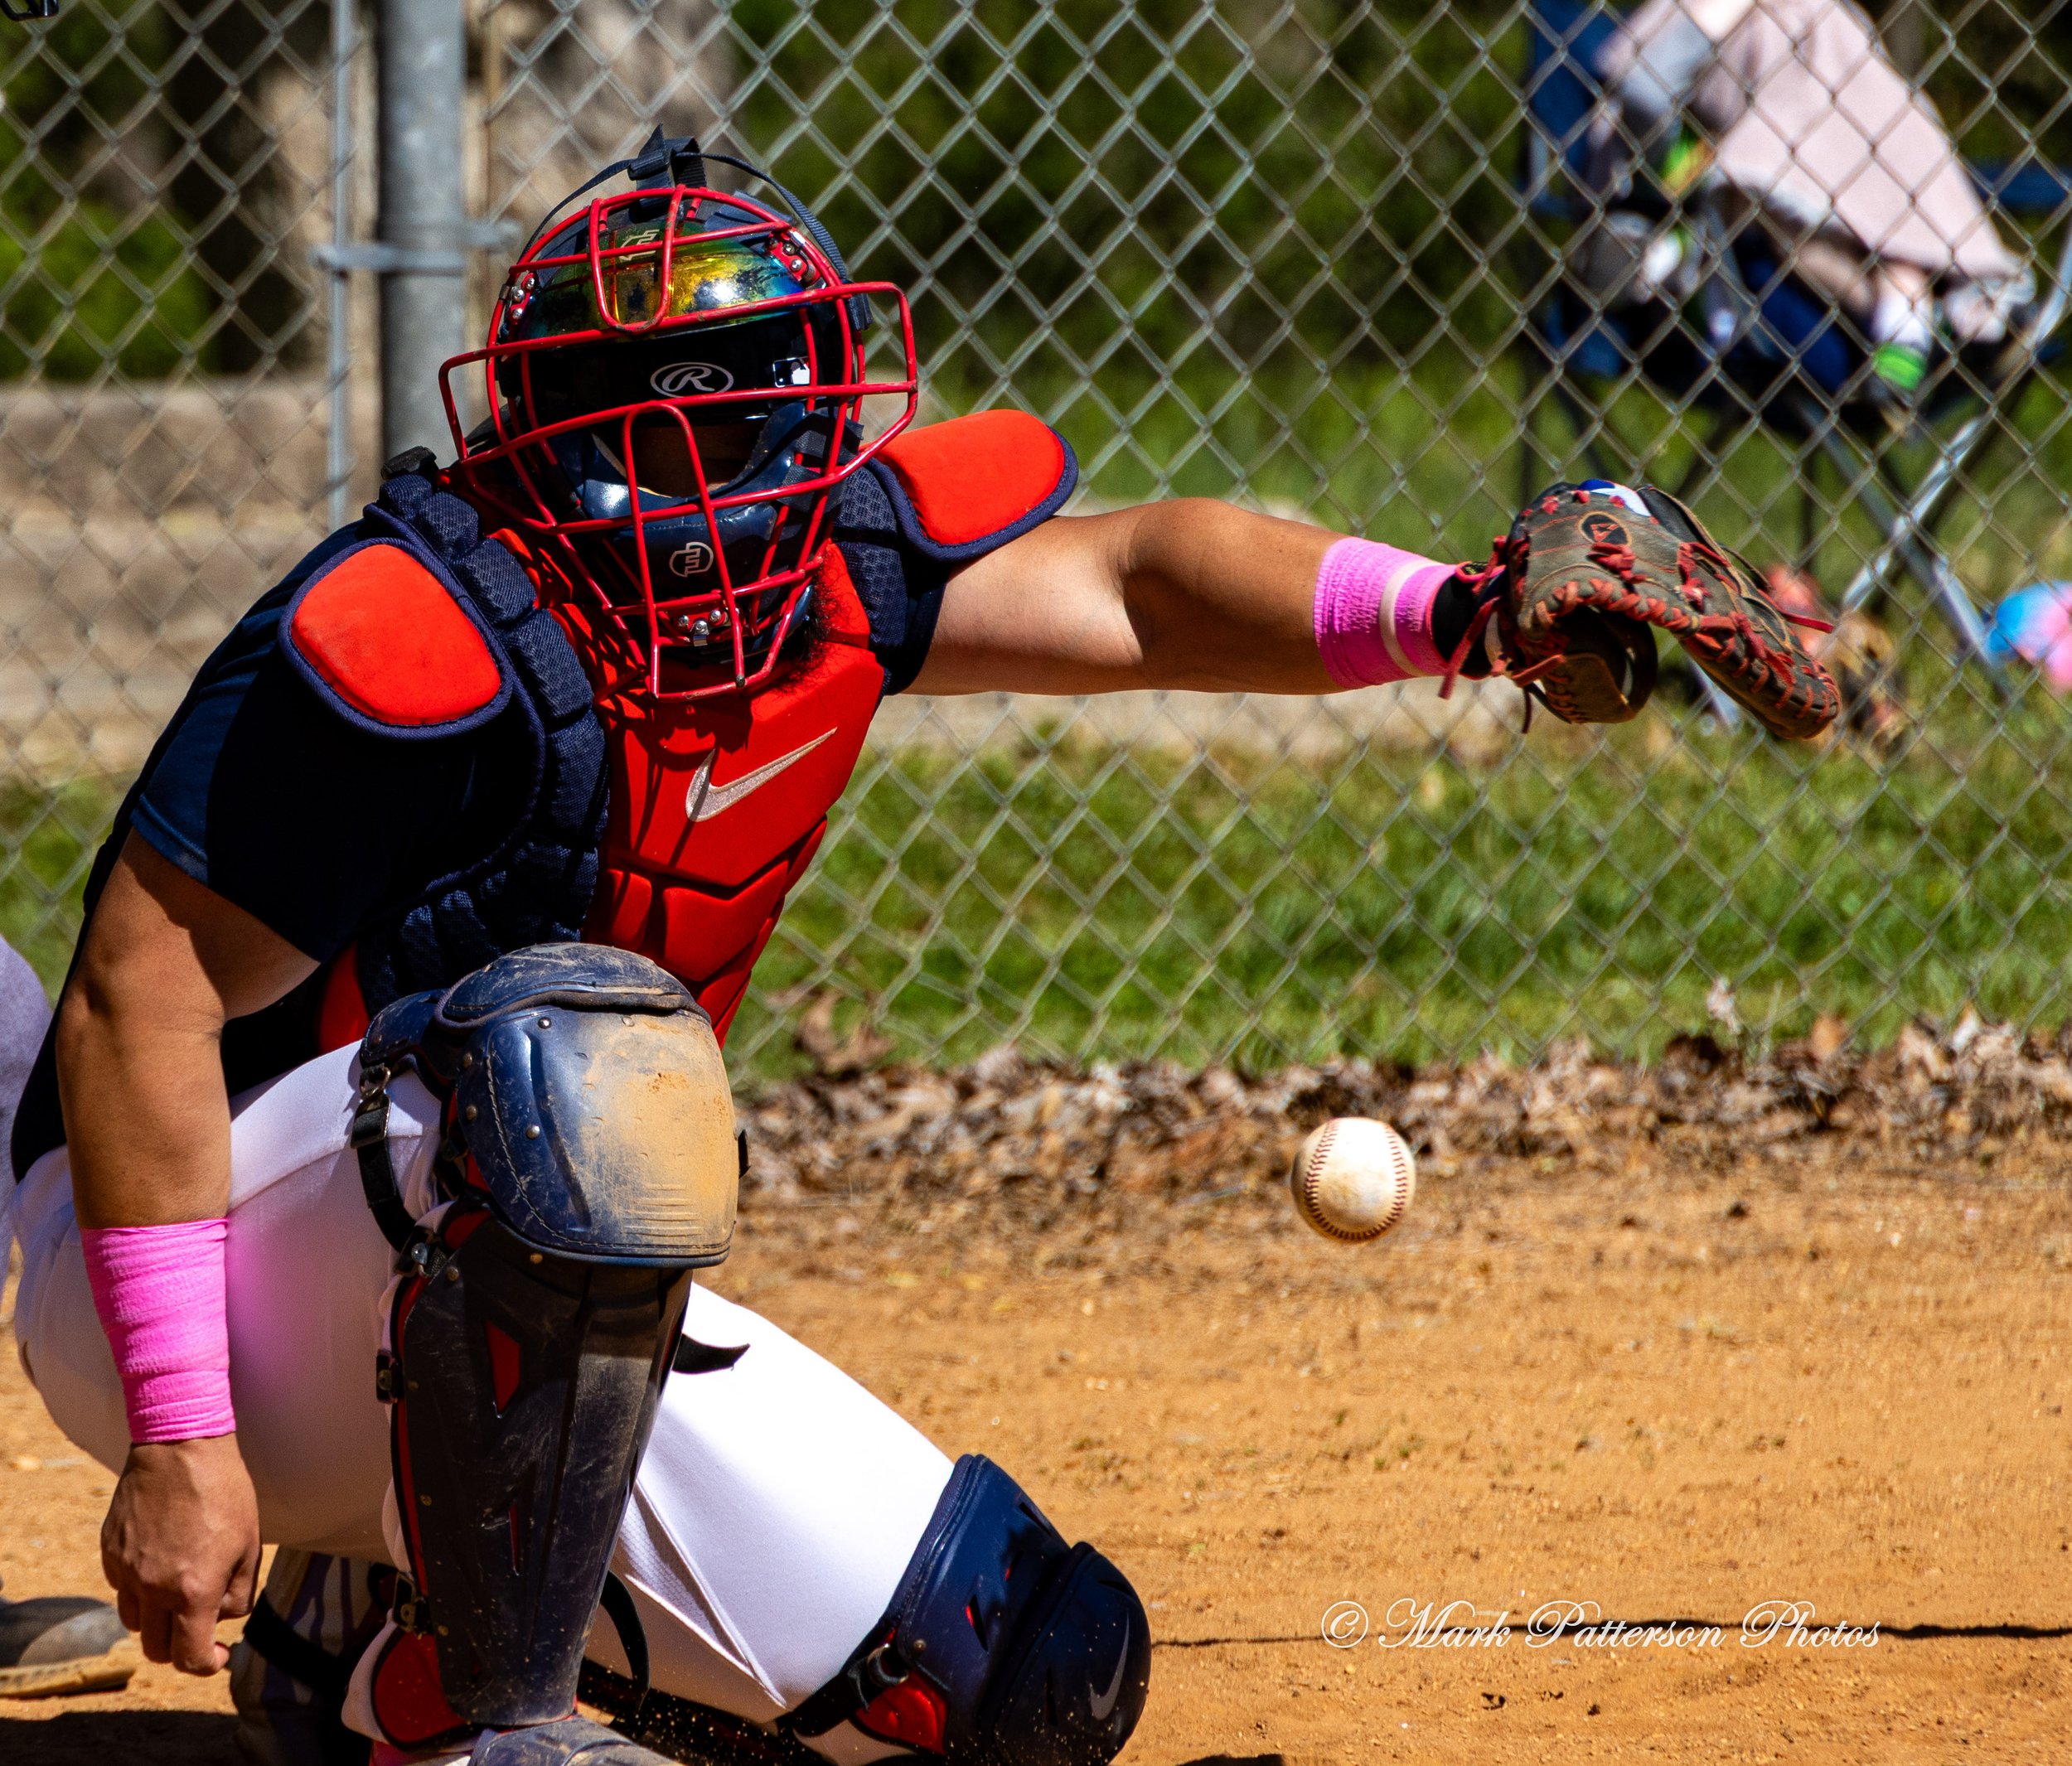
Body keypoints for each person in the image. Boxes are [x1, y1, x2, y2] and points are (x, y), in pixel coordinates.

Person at [0, 132, 1827, 1766]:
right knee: (563, 1052)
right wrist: (175, 1434)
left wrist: (1462, 613)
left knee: (1022, 1669)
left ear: (816, 423)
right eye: (644, 427)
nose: (703, 480)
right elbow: (135, 984)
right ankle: (497, 1726)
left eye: (740, 427)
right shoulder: (427, 629)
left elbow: (1132, 582)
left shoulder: (837, 569)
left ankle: (369, 1653)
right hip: (194, 1285)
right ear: (535, 439)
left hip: (445, 1306)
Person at [1588, 0, 2031, 394]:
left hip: (1845, 137)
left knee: (1859, 147)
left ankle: (1924, 302)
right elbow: (1645, 86)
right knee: (1762, 199)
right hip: (1763, 204)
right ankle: (1917, 313)